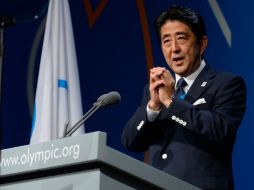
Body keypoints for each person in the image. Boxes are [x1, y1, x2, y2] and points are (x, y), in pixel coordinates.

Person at [121, 5, 246, 190]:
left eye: (181, 38)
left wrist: (171, 102)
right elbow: (130, 141)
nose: (174, 49)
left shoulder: (226, 83)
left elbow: (221, 131)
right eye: (166, 41)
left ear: (202, 44)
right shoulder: (154, 90)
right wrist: (153, 107)